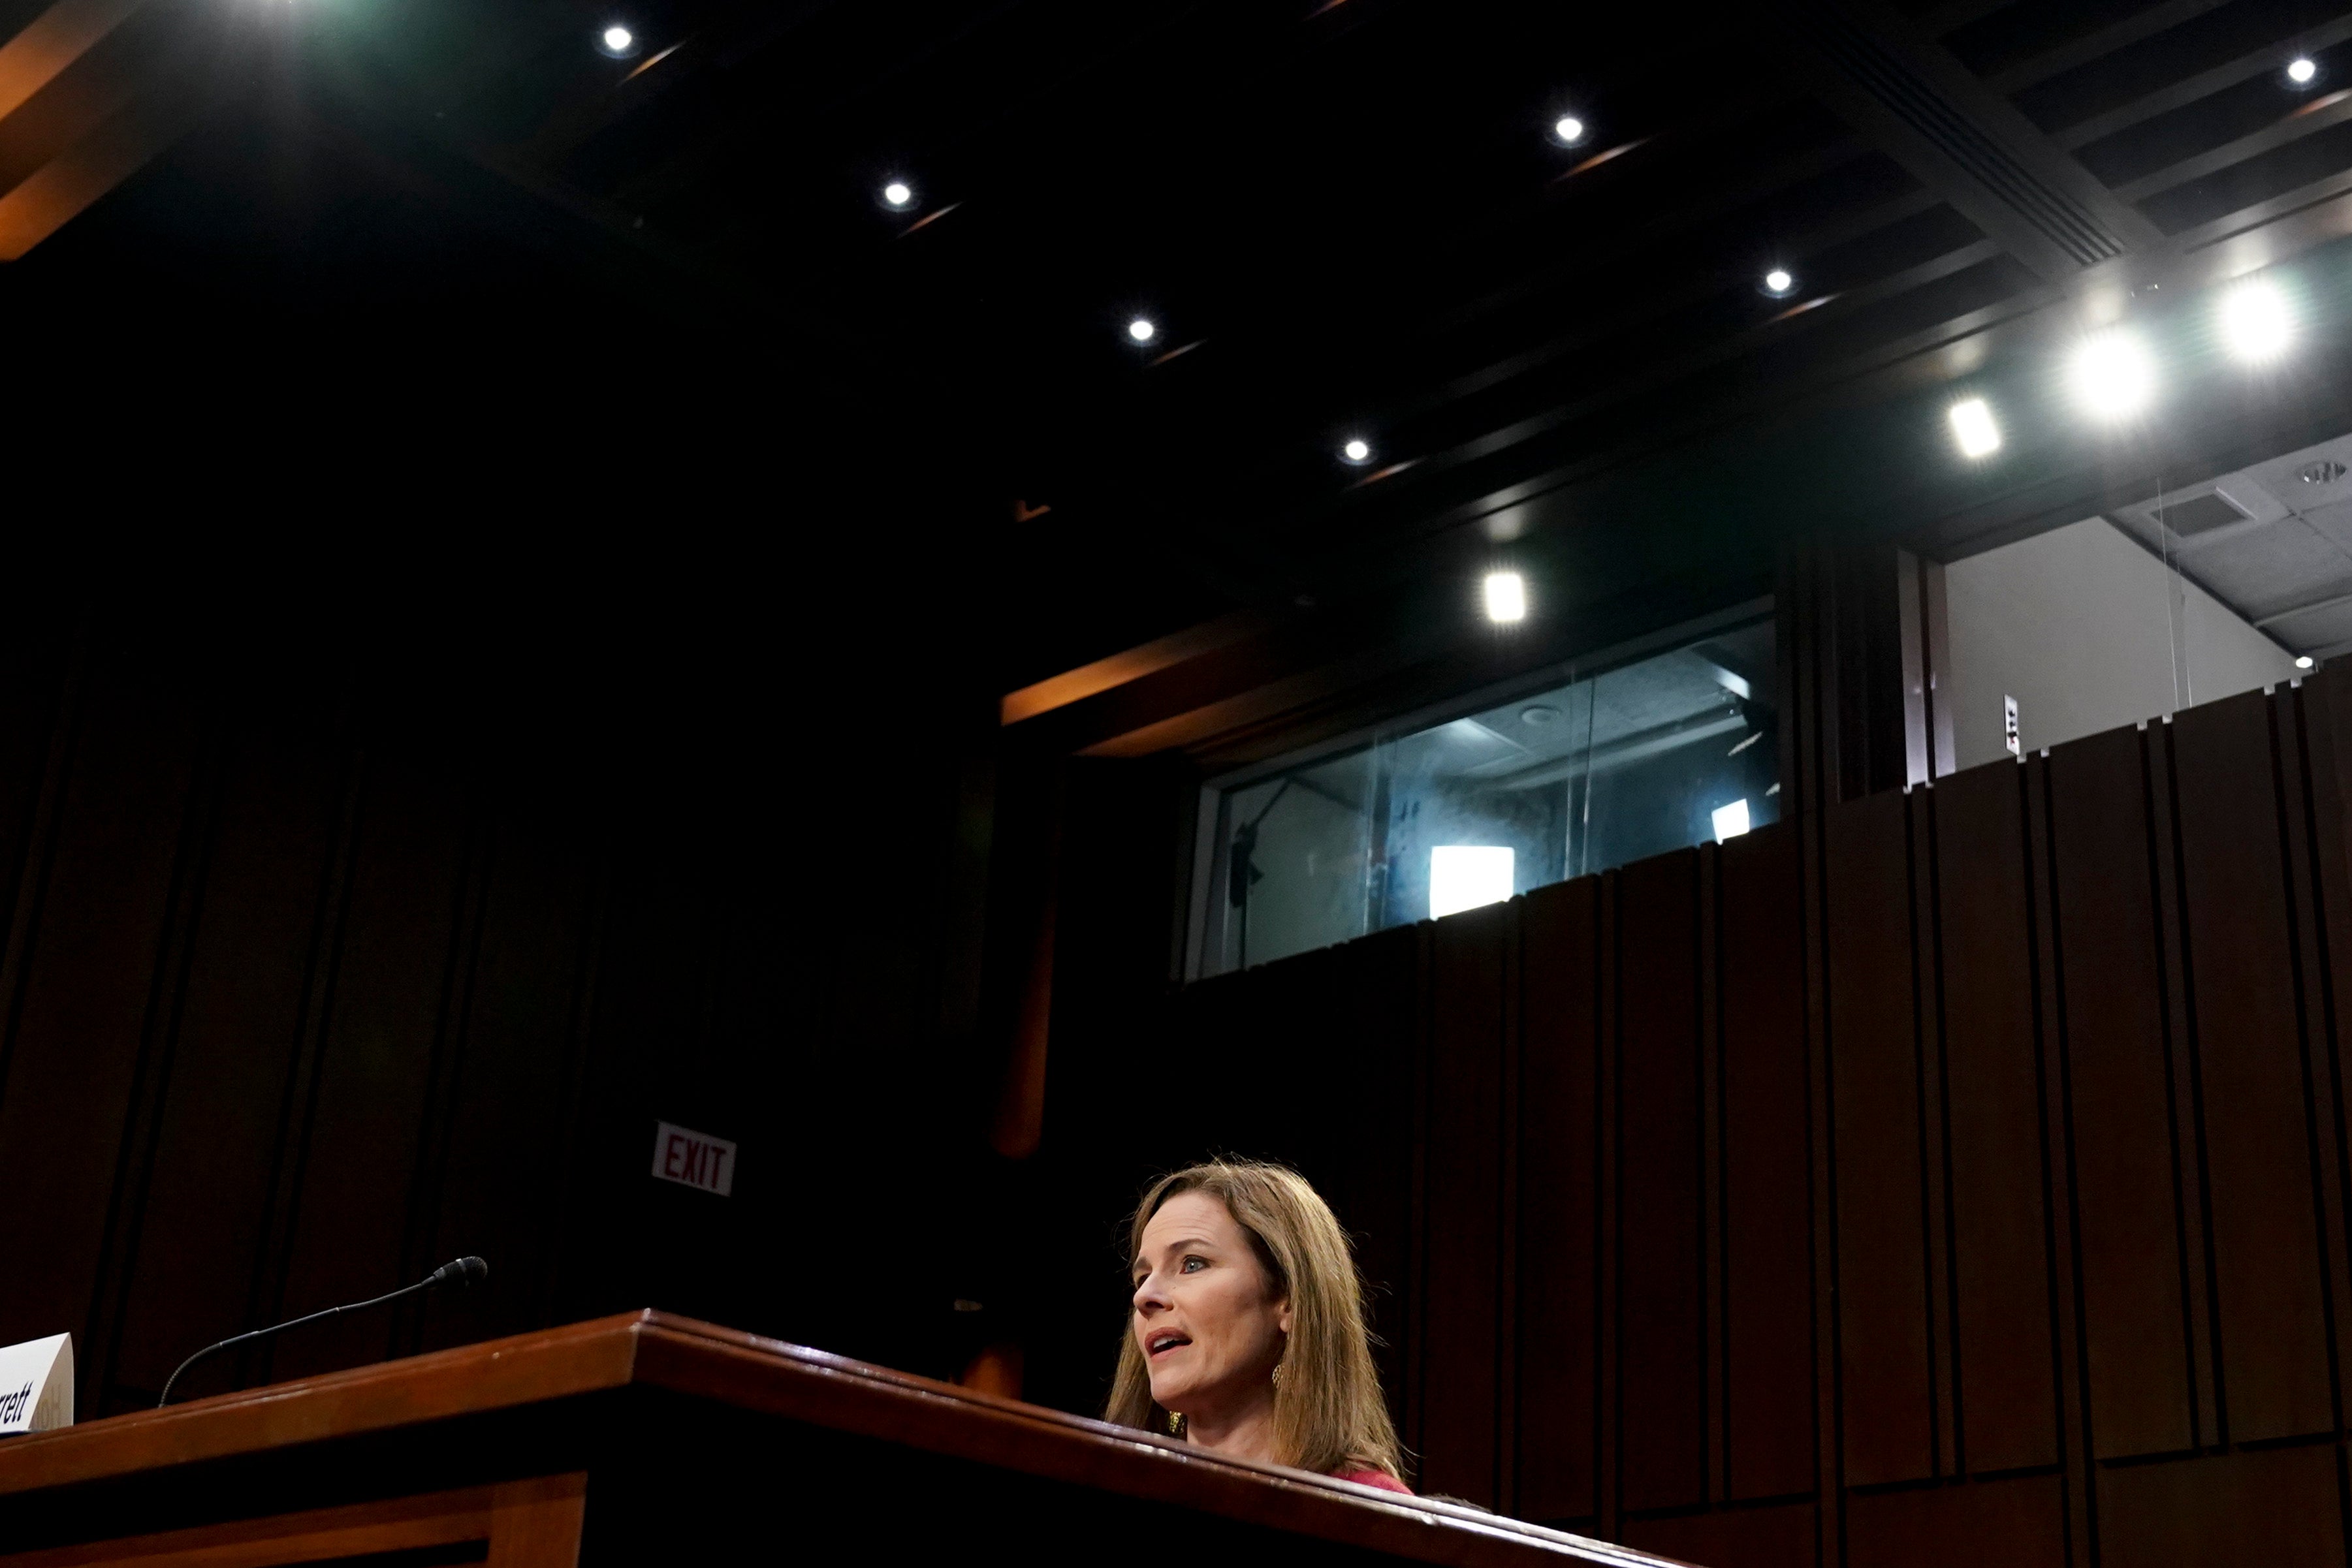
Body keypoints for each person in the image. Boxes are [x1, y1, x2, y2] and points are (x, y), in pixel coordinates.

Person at [1107, 1158, 1410, 1494]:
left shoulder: (1369, 1512)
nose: (1144, 1297)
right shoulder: (1105, 1488)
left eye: (1192, 1264)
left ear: (1290, 1300)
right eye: (1143, 1277)